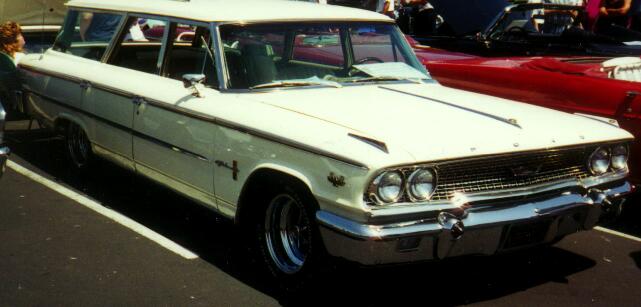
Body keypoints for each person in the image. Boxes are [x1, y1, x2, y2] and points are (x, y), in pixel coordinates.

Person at [0, 21, 25, 112]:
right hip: (24, 104)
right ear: (15, 39)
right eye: (20, 35)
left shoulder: (3, 58)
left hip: (7, 102)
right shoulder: (20, 58)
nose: (23, 37)